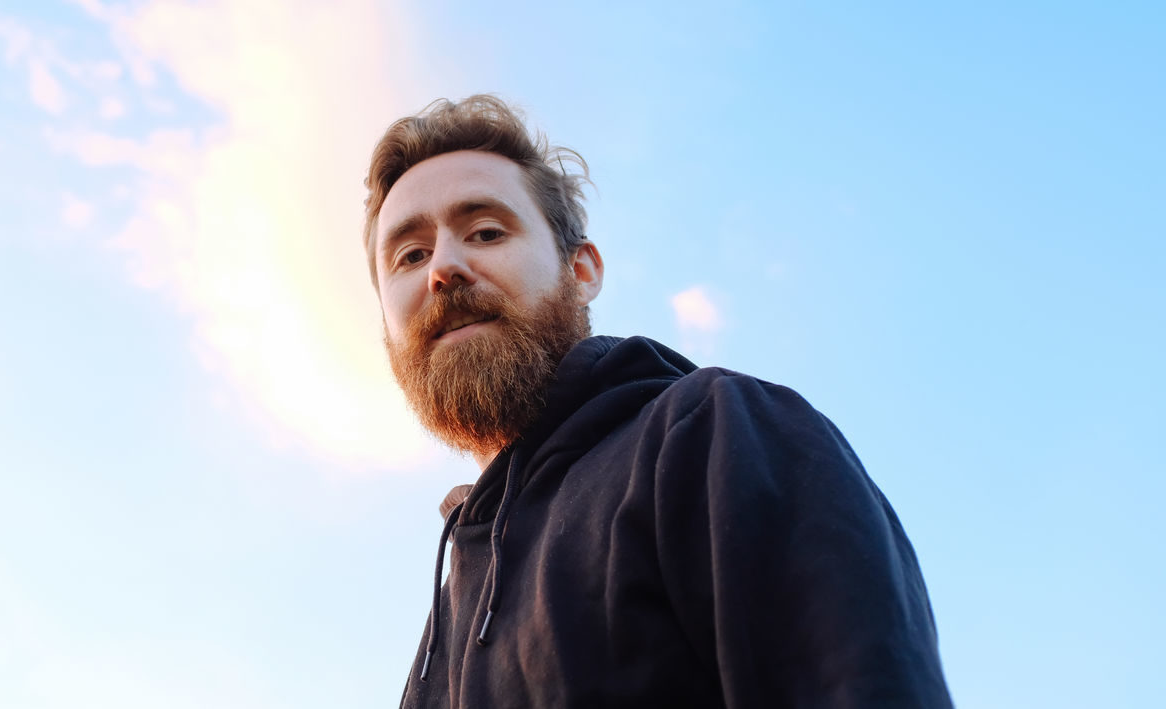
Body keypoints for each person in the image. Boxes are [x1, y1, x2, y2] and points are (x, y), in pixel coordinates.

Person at [363, 95, 953, 708]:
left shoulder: (717, 434)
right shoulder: (437, 640)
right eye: (410, 255)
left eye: (486, 231)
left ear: (581, 269)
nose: (445, 268)